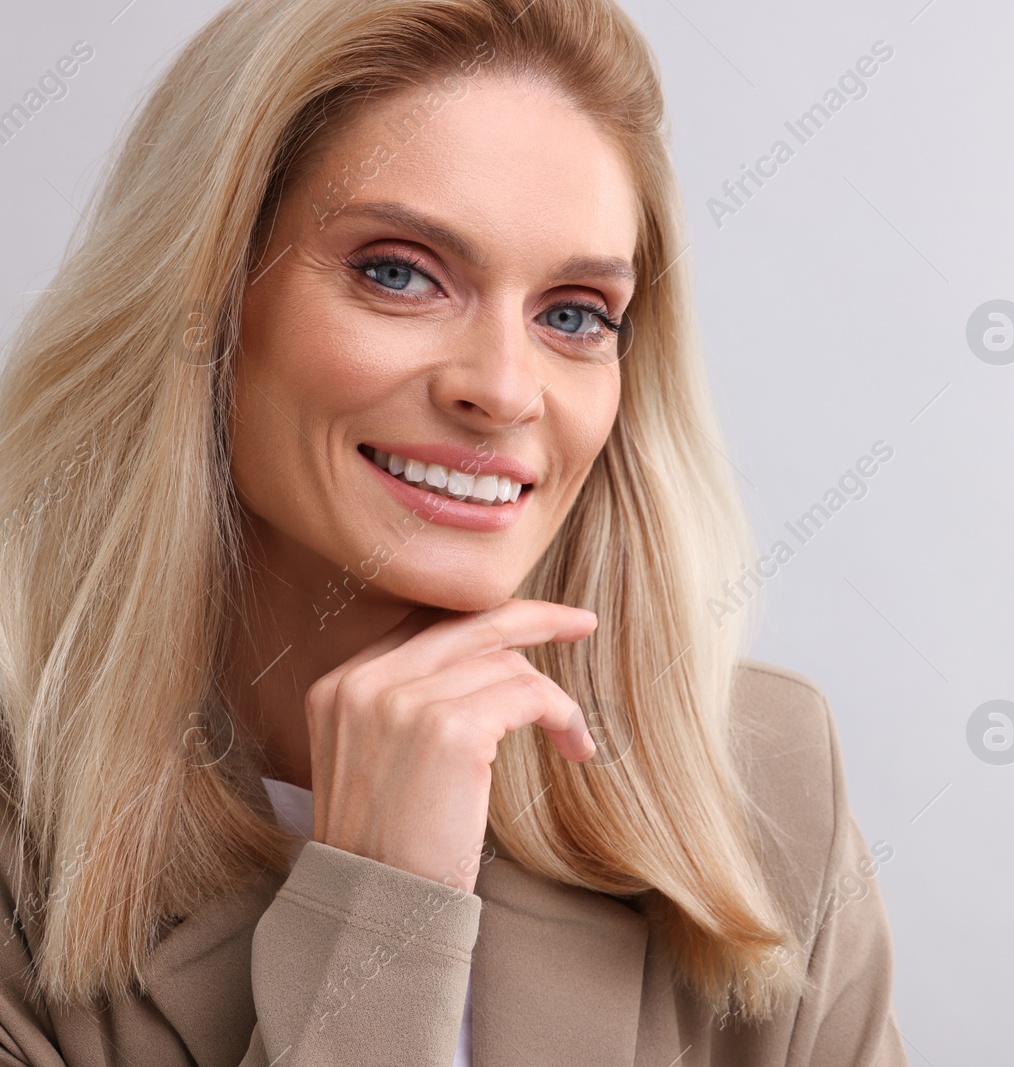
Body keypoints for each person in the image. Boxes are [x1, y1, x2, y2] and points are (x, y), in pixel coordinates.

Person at [0, 0, 907, 1063]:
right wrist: (375, 909)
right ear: (205, 302)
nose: (504, 390)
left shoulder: (760, 769)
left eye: (572, 313)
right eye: (399, 271)